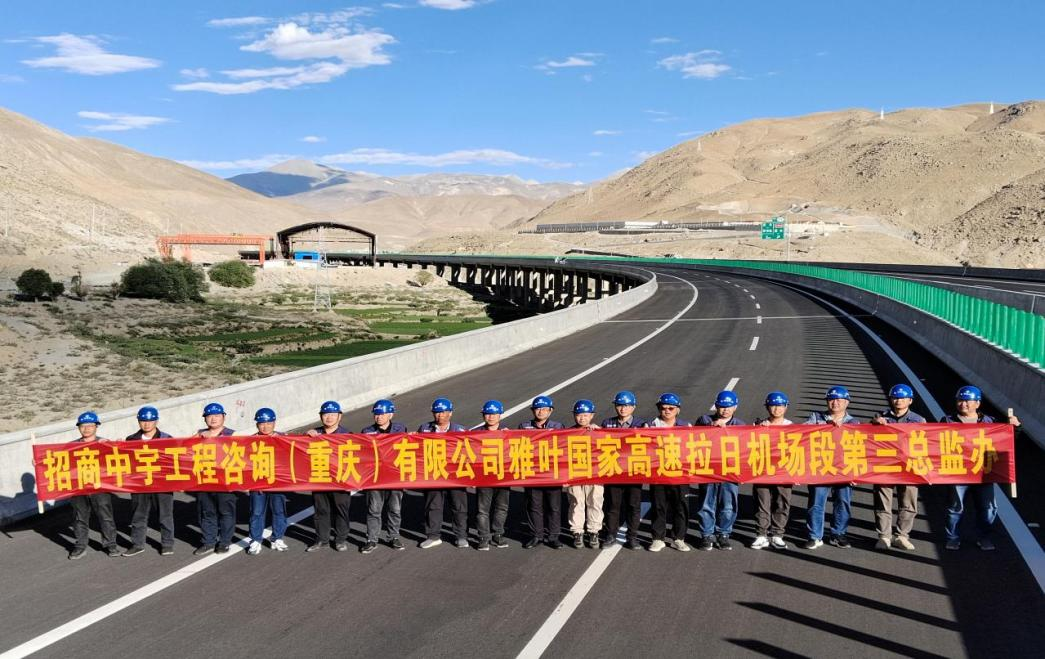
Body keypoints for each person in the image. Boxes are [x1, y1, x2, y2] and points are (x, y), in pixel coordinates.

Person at [941, 385, 1020, 551]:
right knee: (955, 508)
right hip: (958, 472)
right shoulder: (947, 421)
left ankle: (984, 537)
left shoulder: (989, 422)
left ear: (977, 403)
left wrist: (1015, 427)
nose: (963, 404)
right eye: (960, 400)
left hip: (984, 473)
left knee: (988, 508)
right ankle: (953, 538)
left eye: (967, 401)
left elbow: (1006, 439)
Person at [870, 384, 926, 551]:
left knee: (908, 503)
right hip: (885, 466)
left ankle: (902, 535)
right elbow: (866, 437)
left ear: (910, 400)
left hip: (909, 467)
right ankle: (884, 536)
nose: (898, 401)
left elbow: (925, 442)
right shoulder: (880, 417)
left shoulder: (918, 420)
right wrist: (874, 424)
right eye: (895, 397)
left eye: (902, 398)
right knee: (882, 502)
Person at [803, 386, 857, 550]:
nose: (835, 403)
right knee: (816, 503)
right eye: (831, 400)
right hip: (820, 467)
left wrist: (856, 473)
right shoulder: (816, 417)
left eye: (839, 400)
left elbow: (860, 448)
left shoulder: (853, 423)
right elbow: (801, 432)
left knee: (842, 502)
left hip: (844, 469)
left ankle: (838, 534)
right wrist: (826, 426)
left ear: (847, 402)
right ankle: (815, 536)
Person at [695, 391, 746, 550]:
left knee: (728, 505)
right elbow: (693, 437)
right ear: (716, 406)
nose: (725, 410)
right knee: (706, 503)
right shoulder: (705, 420)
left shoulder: (740, 425)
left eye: (729, 406)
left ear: (735, 407)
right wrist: (711, 427)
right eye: (722, 406)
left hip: (730, 471)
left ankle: (724, 533)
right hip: (708, 470)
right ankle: (706, 535)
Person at [123, 406, 174, 557]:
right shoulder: (131, 440)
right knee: (138, 515)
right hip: (140, 484)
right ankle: (137, 544)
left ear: (156, 421)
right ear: (138, 421)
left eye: (150, 421)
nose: (146, 424)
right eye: (143, 421)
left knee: (165, 515)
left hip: (162, 484)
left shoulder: (166, 439)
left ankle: (167, 544)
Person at [68, 411, 119, 559]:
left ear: (96, 426)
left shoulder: (104, 443)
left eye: (90, 425)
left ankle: (110, 545)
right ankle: (80, 546)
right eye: (83, 426)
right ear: (78, 427)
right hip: (79, 487)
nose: (86, 429)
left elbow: (119, 460)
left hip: (100, 487)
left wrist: (114, 446)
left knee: (105, 516)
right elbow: (57, 463)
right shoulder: (70, 447)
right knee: (79, 518)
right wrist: (39, 462)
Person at [644, 393, 691, 552]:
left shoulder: (686, 426)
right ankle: (657, 538)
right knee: (659, 506)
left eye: (671, 408)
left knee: (681, 506)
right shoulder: (650, 426)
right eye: (663, 408)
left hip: (679, 473)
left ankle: (679, 538)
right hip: (658, 473)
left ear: (678, 409)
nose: (667, 411)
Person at [419, 398, 468, 549]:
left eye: (443, 412)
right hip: (434, 473)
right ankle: (433, 536)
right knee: (433, 506)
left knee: (459, 506)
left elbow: (469, 453)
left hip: (455, 475)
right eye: (436, 412)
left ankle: (461, 536)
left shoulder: (460, 430)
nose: (440, 415)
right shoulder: (424, 429)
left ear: (450, 413)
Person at [360, 399, 408, 554]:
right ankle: (371, 539)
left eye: (382, 414)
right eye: (376, 414)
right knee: (374, 509)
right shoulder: (367, 432)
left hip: (395, 477)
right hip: (375, 478)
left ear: (390, 414)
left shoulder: (400, 429)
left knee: (395, 509)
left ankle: (393, 536)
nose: (378, 417)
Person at [600, 390, 645, 550]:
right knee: (612, 505)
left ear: (633, 407)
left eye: (626, 405)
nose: (623, 408)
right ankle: (611, 534)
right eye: (619, 405)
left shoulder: (641, 424)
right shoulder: (607, 423)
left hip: (633, 471)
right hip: (613, 470)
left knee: (633, 505)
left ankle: (632, 537)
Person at [519, 395, 566, 549]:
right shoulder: (524, 426)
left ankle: (553, 536)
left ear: (550, 411)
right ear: (533, 411)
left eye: (544, 409)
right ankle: (536, 535)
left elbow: (565, 448)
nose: (540, 411)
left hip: (552, 474)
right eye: (537, 409)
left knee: (554, 507)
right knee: (534, 506)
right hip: (533, 474)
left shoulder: (558, 426)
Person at [305, 401, 352, 552]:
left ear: (339, 416)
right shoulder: (314, 434)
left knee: (341, 510)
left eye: (333, 414)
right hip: (320, 478)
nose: (329, 417)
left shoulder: (347, 435)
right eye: (326, 414)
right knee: (321, 510)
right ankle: (321, 539)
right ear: (321, 416)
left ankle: (340, 540)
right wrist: (305, 436)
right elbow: (299, 450)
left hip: (340, 480)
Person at [193, 402, 238, 555]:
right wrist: (198, 438)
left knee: (226, 512)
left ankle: (224, 542)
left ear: (223, 417)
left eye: (217, 415)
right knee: (206, 512)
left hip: (225, 481)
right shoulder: (198, 435)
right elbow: (184, 450)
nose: (213, 419)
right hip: (204, 480)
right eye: (209, 416)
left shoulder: (232, 435)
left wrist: (211, 440)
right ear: (205, 418)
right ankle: (208, 542)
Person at [750, 392, 793, 550]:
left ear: (786, 407)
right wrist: (757, 429)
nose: (776, 409)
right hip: (763, 471)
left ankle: (777, 535)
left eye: (780, 405)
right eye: (773, 405)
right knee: (762, 502)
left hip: (784, 471)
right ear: (767, 407)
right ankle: (761, 534)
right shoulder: (759, 425)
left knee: (782, 502)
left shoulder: (792, 427)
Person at [247, 408, 288, 556]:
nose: (265, 427)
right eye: (262, 423)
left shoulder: (284, 438)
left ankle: (277, 538)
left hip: (278, 482)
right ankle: (255, 540)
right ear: (257, 424)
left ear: (274, 423)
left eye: (269, 423)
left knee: (279, 511)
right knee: (256, 512)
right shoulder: (249, 441)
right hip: (258, 482)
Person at [566, 400, 604, 549]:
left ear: (592, 415)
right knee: (576, 502)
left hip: (594, 473)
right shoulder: (567, 433)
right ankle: (577, 532)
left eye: (585, 415)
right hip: (575, 473)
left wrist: (600, 432)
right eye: (578, 415)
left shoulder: (598, 431)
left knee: (595, 501)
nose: (582, 418)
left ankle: (594, 531)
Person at [475, 400, 511, 551]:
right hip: (483, 477)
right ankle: (483, 537)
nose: (490, 417)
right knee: (482, 509)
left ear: (500, 415)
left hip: (503, 476)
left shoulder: (508, 433)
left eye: (494, 414)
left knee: (501, 507)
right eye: (487, 414)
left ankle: (498, 534)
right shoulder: (475, 434)